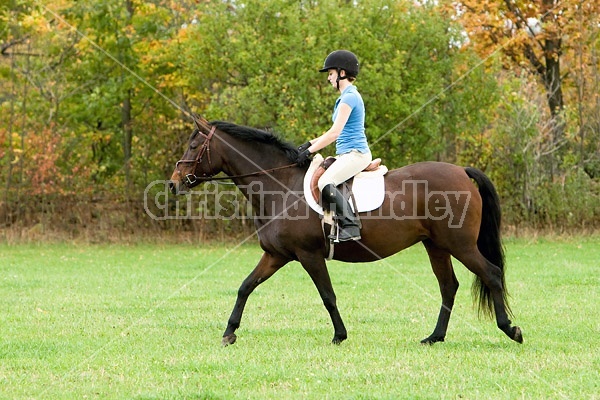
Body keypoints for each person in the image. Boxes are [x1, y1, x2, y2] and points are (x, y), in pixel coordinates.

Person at [297, 50, 372, 241]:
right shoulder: (345, 97)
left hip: (356, 154)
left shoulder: (350, 97)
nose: (329, 78)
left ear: (342, 73)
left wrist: (310, 151)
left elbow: (334, 133)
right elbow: (332, 131)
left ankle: (351, 225)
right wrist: (307, 145)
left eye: (330, 74)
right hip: (346, 154)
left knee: (324, 182)